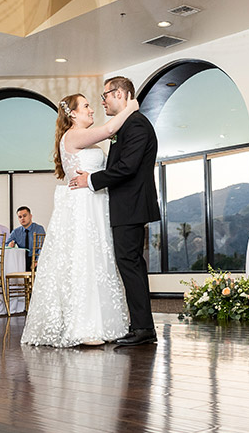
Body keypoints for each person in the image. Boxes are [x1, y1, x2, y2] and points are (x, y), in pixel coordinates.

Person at [21, 93, 139, 347]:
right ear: (72, 114)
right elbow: (109, 128)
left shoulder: (87, 142)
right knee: (84, 260)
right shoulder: (73, 135)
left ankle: (105, 323)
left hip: (96, 202)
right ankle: (83, 326)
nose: (91, 109)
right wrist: (130, 108)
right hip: (83, 205)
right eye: (86, 106)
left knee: (99, 261)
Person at [72, 77, 161, 347]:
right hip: (127, 206)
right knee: (129, 265)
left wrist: (91, 180)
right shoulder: (128, 124)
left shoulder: (136, 124)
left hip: (131, 206)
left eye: (105, 96)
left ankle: (144, 328)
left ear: (120, 94)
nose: (102, 101)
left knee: (130, 265)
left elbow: (127, 168)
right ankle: (140, 325)